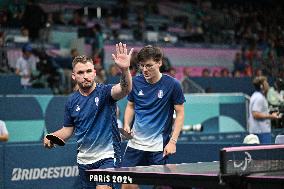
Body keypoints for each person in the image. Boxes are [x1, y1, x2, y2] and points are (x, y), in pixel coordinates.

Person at [43, 42, 133, 189]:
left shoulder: (105, 92)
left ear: (94, 73)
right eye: (80, 73)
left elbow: (125, 89)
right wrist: (51, 136)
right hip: (84, 161)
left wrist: (125, 70)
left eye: (88, 71)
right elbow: (67, 130)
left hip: (108, 157)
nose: (85, 76)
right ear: (73, 76)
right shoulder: (71, 101)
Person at [121, 45, 185, 189]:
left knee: (161, 185)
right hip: (135, 144)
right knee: (126, 183)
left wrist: (173, 141)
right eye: (142, 66)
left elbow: (180, 113)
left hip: (158, 146)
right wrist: (126, 124)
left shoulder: (172, 85)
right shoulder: (135, 82)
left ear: (159, 63)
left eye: (149, 65)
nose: (144, 70)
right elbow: (130, 106)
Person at [248, 76, 281, 144]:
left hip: (259, 131)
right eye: (266, 83)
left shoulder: (256, 95)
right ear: (261, 86)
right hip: (261, 132)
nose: (268, 85)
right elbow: (255, 114)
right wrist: (271, 116)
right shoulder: (259, 98)